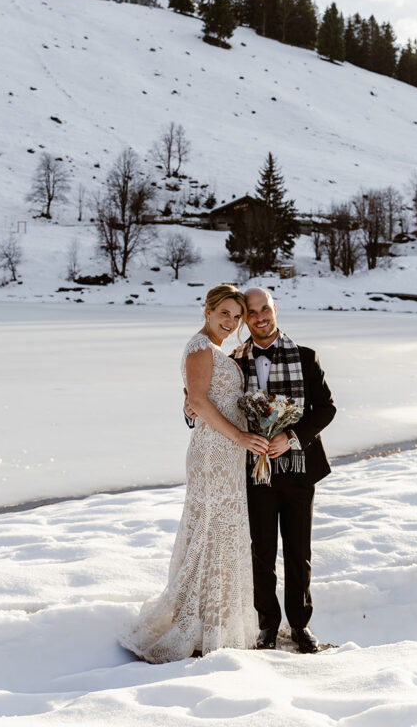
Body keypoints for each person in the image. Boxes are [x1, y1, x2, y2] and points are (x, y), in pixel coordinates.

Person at [120, 284, 269, 663]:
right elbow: (200, 402)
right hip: (215, 452)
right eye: (225, 313)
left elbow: (199, 403)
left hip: (228, 452)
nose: (231, 322)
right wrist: (239, 435)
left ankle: (214, 622)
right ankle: (195, 625)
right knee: (210, 531)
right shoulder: (201, 348)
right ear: (207, 310)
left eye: (237, 317)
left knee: (221, 531)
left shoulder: (217, 350)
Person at [185, 286, 336, 654]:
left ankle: (300, 626)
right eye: (250, 313)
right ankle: (267, 625)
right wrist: (190, 409)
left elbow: (326, 410)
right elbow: (211, 400)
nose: (258, 318)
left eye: (263, 309)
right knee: (261, 551)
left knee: (299, 550)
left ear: (275, 309)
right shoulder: (235, 359)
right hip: (253, 469)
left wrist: (293, 436)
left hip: (299, 468)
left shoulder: (306, 357)